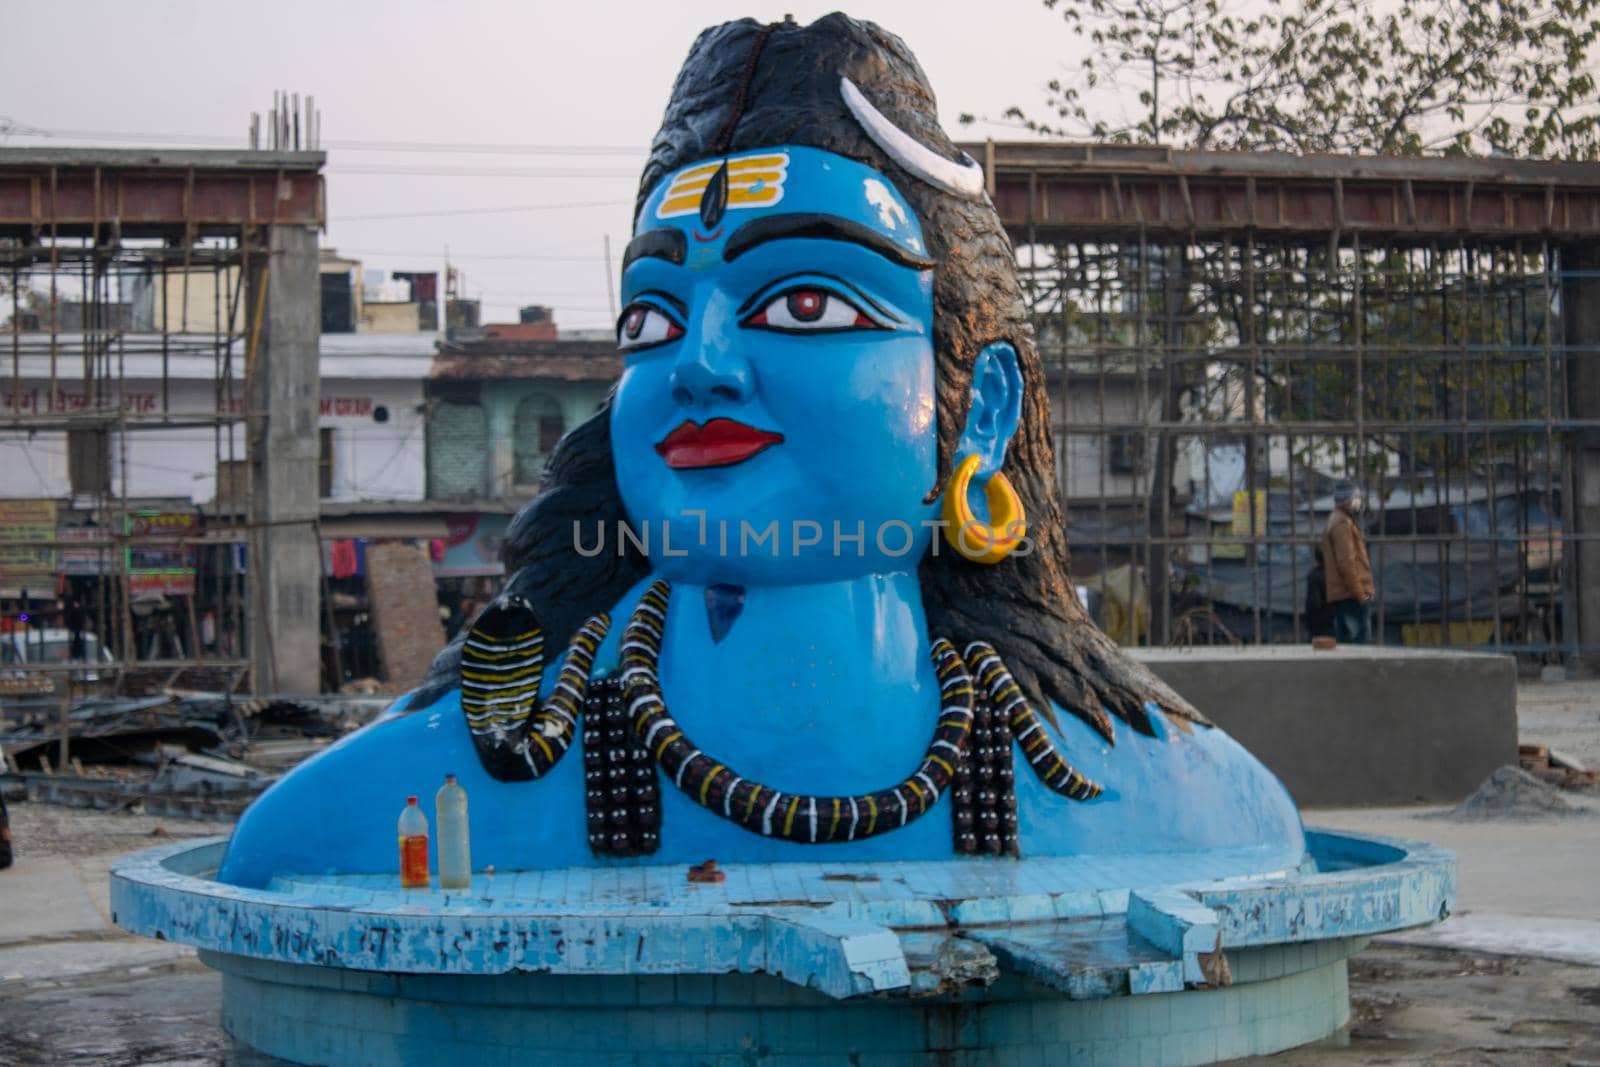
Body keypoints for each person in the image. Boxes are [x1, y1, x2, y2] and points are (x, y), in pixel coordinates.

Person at [216, 13, 1302, 886]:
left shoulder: (1190, 808)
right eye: (651, 317)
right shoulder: (374, 815)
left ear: (980, 409)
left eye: (809, 302)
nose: (700, 363)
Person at [1322, 481, 1375, 644]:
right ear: (1348, 499)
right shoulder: (1342, 524)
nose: (1359, 500)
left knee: (1348, 644)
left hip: (1347, 594)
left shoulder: (1339, 520)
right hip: (1351, 595)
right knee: (1359, 647)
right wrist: (1361, 595)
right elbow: (1346, 563)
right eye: (1357, 497)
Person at [1305, 545, 1333, 638]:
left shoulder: (1314, 576)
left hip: (1319, 620)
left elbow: (1314, 602)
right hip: (1334, 618)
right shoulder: (1337, 574)